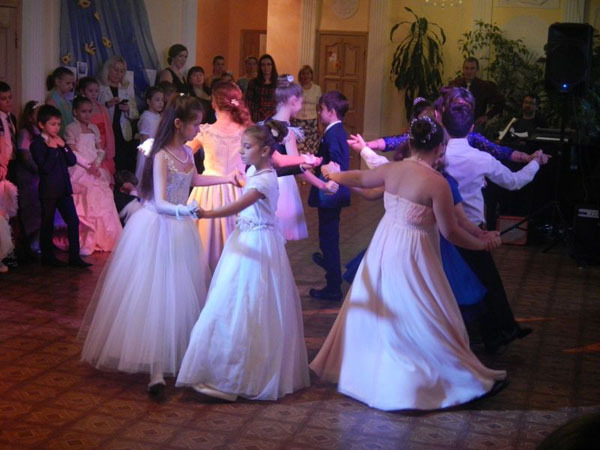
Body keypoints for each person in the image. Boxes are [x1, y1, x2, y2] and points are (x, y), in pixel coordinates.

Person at [310, 117, 507, 411]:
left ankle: (375, 377)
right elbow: (451, 232)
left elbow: (360, 179)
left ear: (411, 143)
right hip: (415, 255)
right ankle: (437, 383)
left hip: (384, 246)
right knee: (427, 315)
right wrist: (482, 244)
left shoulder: (393, 169)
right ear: (439, 148)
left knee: (386, 311)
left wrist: (333, 174)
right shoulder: (437, 183)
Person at [79, 95, 240, 396]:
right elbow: (162, 200)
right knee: (157, 297)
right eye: (195, 123)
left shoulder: (186, 152)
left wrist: (227, 178)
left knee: (179, 294)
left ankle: (177, 357)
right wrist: (184, 211)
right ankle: (155, 371)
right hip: (159, 227)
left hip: (180, 229)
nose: (199, 129)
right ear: (179, 123)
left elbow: (194, 180)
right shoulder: (161, 155)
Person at [176, 123, 310, 401]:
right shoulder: (253, 172)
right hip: (244, 239)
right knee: (228, 301)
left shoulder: (266, 179)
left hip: (257, 244)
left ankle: (238, 376)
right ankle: (221, 371)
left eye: (247, 147)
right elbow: (248, 193)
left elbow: (240, 204)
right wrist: (239, 182)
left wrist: (207, 213)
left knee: (249, 303)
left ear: (265, 151)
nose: (241, 152)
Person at [442, 93, 545, 354]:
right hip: (472, 229)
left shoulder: (438, 157)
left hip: (442, 228)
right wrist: (535, 163)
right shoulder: (480, 159)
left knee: (465, 283)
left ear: (444, 125)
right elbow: (515, 182)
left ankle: (493, 332)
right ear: (472, 128)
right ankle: (495, 333)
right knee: (485, 283)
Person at [266, 75, 338, 241]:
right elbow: (297, 168)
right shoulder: (287, 131)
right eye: (301, 102)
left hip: (264, 181)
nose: (302, 106)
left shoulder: (265, 123)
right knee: (277, 237)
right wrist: (322, 185)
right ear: (293, 101)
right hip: (281, 185)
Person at [30, 105, 91, 268]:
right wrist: (51, 149)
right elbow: (45, 168)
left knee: (73, 221)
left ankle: (74, 257)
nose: (56, 128)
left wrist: (63, 146)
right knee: (47, 223)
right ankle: (48, 257)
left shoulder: (59, 141)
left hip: (64, 189)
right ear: (42, 125)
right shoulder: (37, 144)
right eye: (52, 124)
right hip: (49, 191)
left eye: (58, 124)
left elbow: (71, 161)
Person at [63, 96, 122, 255]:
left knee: (103, 197)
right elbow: (73, 151)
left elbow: (100, 149)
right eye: (83, 111)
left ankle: (106, 238)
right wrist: (87, 166)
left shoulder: (94, 128)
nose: (87, 115)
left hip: (94, 168)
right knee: (87, 196)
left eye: (89, 111)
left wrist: (96, 164)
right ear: (75, 112)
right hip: (79, 168)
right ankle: (86, 239)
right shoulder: (71, 128)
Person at [308, 91, 351, 301]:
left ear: (331, 112)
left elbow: (335, 162)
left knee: (328, 239)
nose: (319, 113)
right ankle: (330, 270)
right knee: (329, 236)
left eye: (322, 109)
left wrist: (324, 171)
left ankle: (333, 284)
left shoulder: (333, 134)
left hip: (330, 194)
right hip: (334, 194)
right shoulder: (338, 130)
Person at [98, 55, 139, 172]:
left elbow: (135, 113)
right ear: (108, 69)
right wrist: (108, 104)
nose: (118, 74)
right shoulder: (101, 87)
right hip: (107, 129)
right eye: (115, 70)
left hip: (123, 131)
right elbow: (94, 109)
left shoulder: (126, 88)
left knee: (123, 162)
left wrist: (128, 109)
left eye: (122, 71)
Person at [15, 101, 42, 254]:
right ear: (30, 116)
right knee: (30, 207)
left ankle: (38, 242)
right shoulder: (25, 133)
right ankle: (29, 243)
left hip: (39, 176)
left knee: (39, 208)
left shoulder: (39, 132)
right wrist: (37, 169)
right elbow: (24, 154)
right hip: (29, 176)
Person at [449, 57, 504, 130]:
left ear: (477, 70)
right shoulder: (456, 84)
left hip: (475, 123)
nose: (469, 72)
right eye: (466, 68)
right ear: (463, 69)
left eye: (472, 68)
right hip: (457, 122)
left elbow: (500, 102)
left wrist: (487, 116)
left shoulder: (484, 86)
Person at [78, 77, 116, 175]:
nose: (94, 94)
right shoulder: (80, 111)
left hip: (103, 143)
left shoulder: (102, 109)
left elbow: (109, 130)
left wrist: (107, 148)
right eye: (90, 91)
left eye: (96, 91)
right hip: (89, 144)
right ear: (82, 91)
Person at [291, 65, 322, 154]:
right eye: (303, 74)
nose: (305, 76)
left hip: (312, 123)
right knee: (298, 148)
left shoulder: (317, 89)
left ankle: (310, 163)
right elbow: (291, 105)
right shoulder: (295, 88)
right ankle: (300, 163)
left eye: (308, 74)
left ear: (311, 75)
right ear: (300, 75)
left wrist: (319, 124)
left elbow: (318, 107)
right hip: (298, 121)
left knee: (311, 148)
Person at [245, 54, 278, 123]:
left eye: (268, 64)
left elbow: (281, 103)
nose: (266, 67)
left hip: (274, 119)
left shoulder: (278, 83)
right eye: (263, 65)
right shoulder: (253, 83)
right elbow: (248, 103)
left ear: (272, 66)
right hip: (257, 119)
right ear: (260, 67)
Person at [45, 67, 75, 137]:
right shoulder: (52, 99)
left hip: (69, 136)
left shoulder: (65, 99)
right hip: (60, 136)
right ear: (57, 81)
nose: (71, 87)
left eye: (72, 84)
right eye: (68, 83)